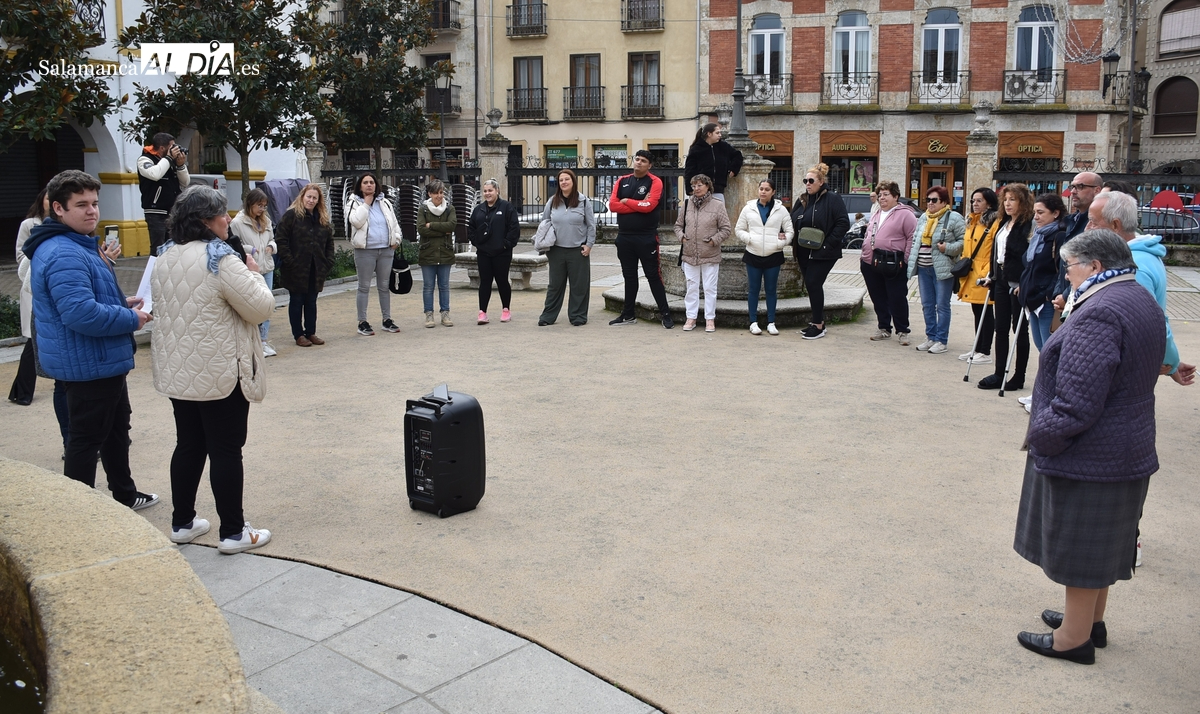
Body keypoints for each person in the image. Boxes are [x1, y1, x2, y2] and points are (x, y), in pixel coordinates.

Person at [1014, 229, 1165, 666]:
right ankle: (1088, 622)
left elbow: (1078, 402)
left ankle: (1072, 641)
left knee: (1080, 543)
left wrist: (1042, 435)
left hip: (1093, 450)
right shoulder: (1137, 297)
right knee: (1101, 542)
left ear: (1096, 266)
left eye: (1070, 266)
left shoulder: (1101, 310)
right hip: (1126, 444)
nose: (1067, 274)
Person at [151, 186, 275, 554]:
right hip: (221, 370)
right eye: (222, 214)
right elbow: (260, 308)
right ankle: (234, 532)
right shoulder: (221, 259)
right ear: (205, 220)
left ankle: (183, 521)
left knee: (188, 445)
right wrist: (253, 273)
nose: (227, 220)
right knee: (225, 450)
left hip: (180, 371)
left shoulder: (165, 256)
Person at [24, 170, 157, 510]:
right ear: (57, 208)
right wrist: (132, 318)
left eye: (95, 203)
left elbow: (83, 301)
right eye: (81, 204)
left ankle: (124, 497)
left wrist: (119, 302)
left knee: (114, 434)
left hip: (99, 360)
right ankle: (79, 516)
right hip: (89, 366)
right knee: (86, 442)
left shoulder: (76, 245)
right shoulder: (63, 252)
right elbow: (80, 314)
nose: (92, 211)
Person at [1084, 190, 1194, 386]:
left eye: (1093, 222)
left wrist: (1171, 363)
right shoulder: (1132, 257)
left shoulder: (1135, 266)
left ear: (1115, 225)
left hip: (1126, 366)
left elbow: (1154, 321)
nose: (1087, 228)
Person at [977, 184, 1034, 390]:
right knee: (1000, 327)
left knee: (1019, 330)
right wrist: (992, 275)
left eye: (1013, 199)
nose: (1008, 204)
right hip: (1000, 277)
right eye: (1006, 200)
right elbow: (996, 252)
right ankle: (999, 372)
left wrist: (1025, 280)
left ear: (1023, 202)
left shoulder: (1029, 225)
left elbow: (1030, 257)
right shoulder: (1004, 222)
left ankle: (1019, 376)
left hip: (1018, 281)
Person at [609, 150, 672, 328]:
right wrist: (637, 204)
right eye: (637, 159)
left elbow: (650, 206)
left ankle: (665, 313)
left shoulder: (655, 182)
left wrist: (626, 201)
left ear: (649, 165)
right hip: (624, 237)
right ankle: (628, 314)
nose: (639, 163)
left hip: (646, 237)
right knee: (629, 277)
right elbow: (613, 206)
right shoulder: (622, 180)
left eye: (643, 161)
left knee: (653, 276)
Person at [790, 162, 850, 340]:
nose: (807, 184)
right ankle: (817, 321)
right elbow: (792, 220)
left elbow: (843, 223)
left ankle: (818, 325)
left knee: (813, 282)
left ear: (821, 182)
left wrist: (827, 244)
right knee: (811, 285)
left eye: (811, 180)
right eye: (805, 180)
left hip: (823, 252)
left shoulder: (832, 198)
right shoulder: (802, 199)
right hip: (803, 250)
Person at [906, 185, 965, 354]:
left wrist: (947, 248)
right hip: (924, 268)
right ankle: (930, 337)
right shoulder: (924, 217)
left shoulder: (954, 217)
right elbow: (916, 241)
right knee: (927, 305)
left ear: (944, 202)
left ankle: (941, 340)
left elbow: (963, 242)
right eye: (928, 200)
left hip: (943, 269)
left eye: (934, 200)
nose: (930, 203)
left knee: (942, 305)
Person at [275, 183, 334, 347]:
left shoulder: (322, 219)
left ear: (318, 200)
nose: (311, 200)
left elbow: (330, 242)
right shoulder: (291, 216)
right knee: (297, 301)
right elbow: (281, 239)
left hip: (316, 268)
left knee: (311, 301)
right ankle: (298, 334)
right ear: (302, 197)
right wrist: (289, 261)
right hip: (296, 269)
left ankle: (311, 332)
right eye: (309, 196)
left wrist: (328, 261)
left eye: (314, 198)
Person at [859, 181, 917, 344]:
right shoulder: (877, 213)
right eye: (880, 195)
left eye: (886, 194)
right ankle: (884, 327)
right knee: (878, 296)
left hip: (894, 263)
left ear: (896, 196)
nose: (882, 198)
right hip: (871, 262)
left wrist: (905, 260)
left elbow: (912, 238)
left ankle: (903, 330)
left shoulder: (906, 214)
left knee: (896, 297)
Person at [346, 173, 402, 336]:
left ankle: (387, 319)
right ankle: (362, 322)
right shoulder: (354, 202)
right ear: (360, 186)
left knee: (384, 286)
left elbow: (395, 224)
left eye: (372, 182)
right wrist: (367, 204)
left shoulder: (385, 203)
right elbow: (356, 221)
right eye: (365, 183)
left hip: (385, 250)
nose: (369, 185)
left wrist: (396, 240)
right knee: (364, 286)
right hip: (365, 251)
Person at [538, 169, 596, 327]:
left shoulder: (584, 201)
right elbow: (544, 224)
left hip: (578, 250)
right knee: (555, 285)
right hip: (556, 250)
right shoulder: (552, 201)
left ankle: (577, 316)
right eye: (561, 180)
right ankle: (548, 316)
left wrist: (589, 244)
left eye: (567, 179)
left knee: (579, 286)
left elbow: (591, 225)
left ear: (573, 181)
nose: (563, 182)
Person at [736, 179, 793, 335]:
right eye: (761, 188)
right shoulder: (748, 208)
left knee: (771, 290)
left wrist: (781, 243)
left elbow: (790, 231)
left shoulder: (781, 210)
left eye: (767, 189)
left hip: (773, 254)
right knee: (753, 290)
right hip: (753, 254)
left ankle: (771, 322)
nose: (763, 191)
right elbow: (739, 229)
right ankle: (753, 322)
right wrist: (749, 239)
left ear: (773, 192)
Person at [676, 174, 731, 332]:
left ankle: (710, 319)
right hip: (689, 254)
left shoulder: (717, 205)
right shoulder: (686, 204)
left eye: (700, 185)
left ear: (708, 186)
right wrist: (682, 237)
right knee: (692, 287)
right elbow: (678, 226)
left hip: (710, 254)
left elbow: (726, 229)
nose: (696, 188)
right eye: (694, 186)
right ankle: (691, 317)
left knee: (709, 288)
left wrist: (714, 240)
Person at [9, 189, 48, 405]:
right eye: (48, 197)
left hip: (53, 286)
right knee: (33, 340)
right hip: (33, 285)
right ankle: (22, 391)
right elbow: (20, 254)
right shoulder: (30, 225)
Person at [228, 188, 278, 356]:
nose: (262, 209)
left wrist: (272, 246)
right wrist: (251, 249)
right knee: (251, 305)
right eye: (259, 205)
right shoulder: (237, 222)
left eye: (264, 206)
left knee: (267, 304)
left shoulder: (266, 220)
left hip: (267, 266)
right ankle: (251, 342)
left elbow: (271, 238)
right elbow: (233, 245)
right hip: (249, 268)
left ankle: (263, 341)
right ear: (250, 204)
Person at [468, 178, 520, 324]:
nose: (487, 193)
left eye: (490, 190)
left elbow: (514, 228)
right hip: (483, 253)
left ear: (497, 191)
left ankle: (506, 309)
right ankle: (482, 312)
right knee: (485, 282)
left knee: (502, 281)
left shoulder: (507, 207)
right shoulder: (478, 210)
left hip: (502, 253)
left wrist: (505, 244)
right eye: (485, 191)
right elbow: (471, 228)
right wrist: (476, 242)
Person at [1020, 193, 1068, 351]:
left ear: (1055, 213)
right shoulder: (1038, 235)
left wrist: (1049, 294)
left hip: (1046, 300)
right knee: (1041, 346)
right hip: (1032, 298)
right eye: (1035, 213)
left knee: (1049, 349)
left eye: (1041, 213)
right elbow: (1029, 264)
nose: (1036, 217)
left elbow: (1061, 269)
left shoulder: (1059, 236)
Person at [957, 188, 999, 364]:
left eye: (979, 200)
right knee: (977, 311)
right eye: (973, 200)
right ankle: (977, 347)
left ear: (989, 203)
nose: (975, 204)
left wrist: (988, 271)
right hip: (971, 271)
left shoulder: (994, 222)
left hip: (984, 272)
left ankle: (985, 351)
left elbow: (995, 249)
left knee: (986, 312)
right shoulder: (972, 221)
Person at [137, 132, 190, 256]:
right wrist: (169, 158)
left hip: (172, 212)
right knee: (158, 247)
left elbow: (185, 182)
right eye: (172, 146)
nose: (175, 149)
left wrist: (180, 165)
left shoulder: (169, 161)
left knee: (173, 247)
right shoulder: (145, 159)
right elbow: (155, 174)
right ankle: (153, 273)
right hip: (156, 212)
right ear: (162, 148)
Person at [416, 179, 457, 328]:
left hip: (445, 252)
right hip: (428, 252)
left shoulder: (449, 209)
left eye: (441, 192)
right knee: (428, 286)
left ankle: (445, 314)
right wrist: (442, 231)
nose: (439, 196)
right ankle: (429, 315)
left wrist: (432, 225)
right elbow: (421, 229)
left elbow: (452, 226)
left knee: (444, 285)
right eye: (436, 193)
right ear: (430, 194)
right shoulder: (423, 209)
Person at [683, 123, 743, 201]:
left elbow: (737, 155)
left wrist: (734, 168)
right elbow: (689, 170)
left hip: (718, 190)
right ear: (709, 134)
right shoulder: (696, 149)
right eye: (717, 133)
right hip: (701, 191)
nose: (720, 135)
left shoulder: (723, 147)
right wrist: (690, 189)